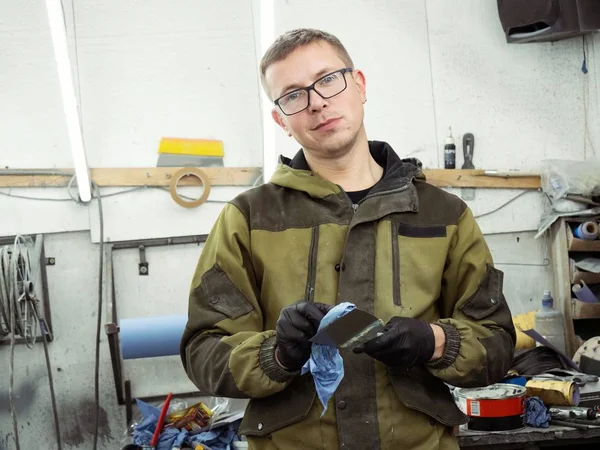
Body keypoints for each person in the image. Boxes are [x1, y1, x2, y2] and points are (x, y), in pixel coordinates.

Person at [180, 28, 516, 450]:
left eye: (327, 80)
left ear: (358, 85)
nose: (317, 101)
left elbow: (498, 342)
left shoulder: (444, 215)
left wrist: (433, 342)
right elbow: (203, 352)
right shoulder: (248, 219)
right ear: (281, 120)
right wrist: (278, 353)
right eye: (293, 95)